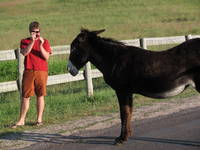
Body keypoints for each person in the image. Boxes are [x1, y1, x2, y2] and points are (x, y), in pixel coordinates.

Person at [12, 21, 52, 128]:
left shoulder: (45, 42)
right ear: (30, 32)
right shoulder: (24, 41)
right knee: (25, 96)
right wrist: (32, 42)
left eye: (37, 32)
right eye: (34, 32)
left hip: (42, 70)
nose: (36, 34)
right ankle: (21, 120)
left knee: (40, 95)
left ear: (40, 31)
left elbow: (46, 57)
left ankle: (39, 120)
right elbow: (25, 53)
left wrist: (41, 45)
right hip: (29, 70)